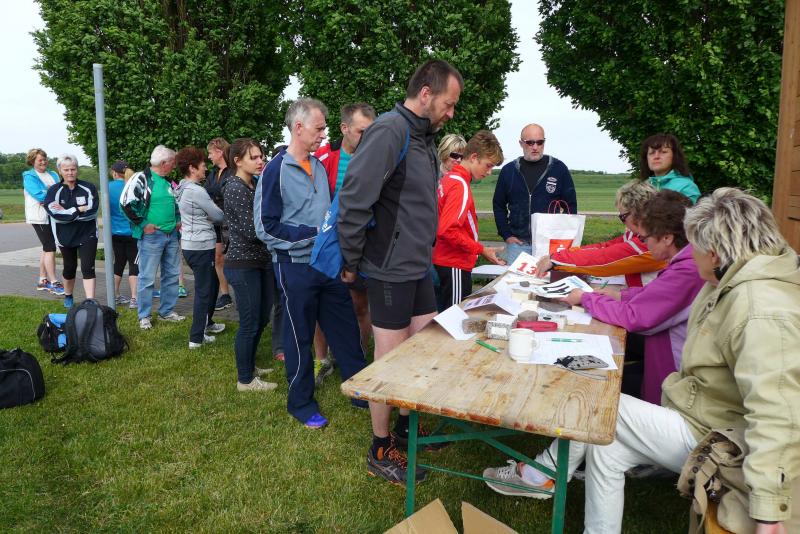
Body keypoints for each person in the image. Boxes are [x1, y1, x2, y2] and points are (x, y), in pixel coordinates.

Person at [483, 188, 800, 533]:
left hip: (717, 435)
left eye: (694, 247)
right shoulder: (736, 280)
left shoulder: (760, 309)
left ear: (714, 251)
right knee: (608, 448)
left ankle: (541, 475)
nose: (690, 256)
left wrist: (768, 510)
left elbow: (779, 411)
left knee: (597, 402)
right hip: (706, 415)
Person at [338, 59, 463, 483]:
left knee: (423, 350)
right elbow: (354, 199)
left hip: (417, 265)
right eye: (448, 104)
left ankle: (408, 426)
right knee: (390, 361)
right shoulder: (390, 130)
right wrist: (351, 262)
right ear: (426, 94)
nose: (451, 113)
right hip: (389, 267)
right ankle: (380, 446)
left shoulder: (424, 137)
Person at [256, 98, 367, 428]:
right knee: (298, 337)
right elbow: (265, 227)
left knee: (345, 330)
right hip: (294, 267)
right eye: (319, 128)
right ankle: (301, 404)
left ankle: (360, 390)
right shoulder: (275, 170)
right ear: (298, 127)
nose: (323, 134)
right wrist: (313, 236)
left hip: (327, 265)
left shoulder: (318, 165)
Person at [559, 190, 705, 405]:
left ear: (667, 238)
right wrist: (621, 295)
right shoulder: (687, 261)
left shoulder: (687, 270)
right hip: (667, 363)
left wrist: (586, 298)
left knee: (593, 393)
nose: (645, 245)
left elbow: (634, 317)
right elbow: (659, 295)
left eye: (645, 238)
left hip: (673, 380)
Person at [312, 102, 376, 385]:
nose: (366, 138)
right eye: (361, 131)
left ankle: (357, 358)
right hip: (330, 242)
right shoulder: (325, 158)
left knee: (361, 304)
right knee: (322, 305)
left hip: (362, 244)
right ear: (344, 128)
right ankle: (321, 359)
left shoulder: (376, 158)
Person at [535, 180, 665, 287]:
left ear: (638, 212)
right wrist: (561, 255)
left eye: (623, 217)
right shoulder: (642, 233)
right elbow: (604, 247)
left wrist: (557, 260)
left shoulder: (651, 241)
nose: (623, 222)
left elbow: (605, 259)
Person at [221, 139, 276, 391]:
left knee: (262, 318)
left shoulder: (252, 183)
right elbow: (253, 230)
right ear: (238, 161)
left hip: (259, 261)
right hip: (243, 264)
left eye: (261, 156)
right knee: (250, 322)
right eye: (253, 157)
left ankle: (250, 365)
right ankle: (245, 380)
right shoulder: (235, 187)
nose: (260, 160)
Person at [433, 130, 505, 310]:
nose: (489, 172)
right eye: (488, 165)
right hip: (454, 263)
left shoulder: (450, 178)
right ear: (473, 157)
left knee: (445, 315)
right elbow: (447, 230)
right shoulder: (459, 185)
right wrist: (481, 249)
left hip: (446, 261)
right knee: (454, 318)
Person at [120, 145, 185, 329]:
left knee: (171, 275)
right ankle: (144, 316)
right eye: (172, 162)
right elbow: (125, 204)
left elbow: (175, 203)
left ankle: (166, 312)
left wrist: (177, 220)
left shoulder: (168, 181)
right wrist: (143, 224)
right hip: (151, 236)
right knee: (147, 278)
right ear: (164, 163)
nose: (174, 166)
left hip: (171, 235)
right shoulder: (141, 178)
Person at [493, 123, 577, 263]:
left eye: (540, 142)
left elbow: (571, 206)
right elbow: (498, 205)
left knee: (549, 278)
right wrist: (506, 235)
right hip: (518, 245)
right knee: (516, 278)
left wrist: (561, 235)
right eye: (530, 142)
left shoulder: (558, 169)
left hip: (550, 246)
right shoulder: (509, 171)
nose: (535, 147)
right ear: (521, 143)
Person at [175, 146, 226, 349]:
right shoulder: (196, 190)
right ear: (192, 168)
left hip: (191, 244)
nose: (206, 168)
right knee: (204, 291)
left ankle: (207, 322)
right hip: (200, 246)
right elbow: (218, 215)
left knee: (211, 284)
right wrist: (211, 213)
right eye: (203, 165)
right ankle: (196, 338)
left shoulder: (182, 187)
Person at [43, 155, 99, 309]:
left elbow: (92, 212)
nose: (70, 172)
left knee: (88, 267)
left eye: (73, 169)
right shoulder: (54, 191)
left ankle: (90, 301)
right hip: (64, 236)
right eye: (66, 170)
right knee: (69, 268)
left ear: (77, 169)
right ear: (60, 171)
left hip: (87, 234)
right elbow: (56, 215)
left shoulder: (88, 188)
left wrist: (67, 212)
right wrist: (78, 209)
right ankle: (68, 295)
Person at [22, 148, 64, 295]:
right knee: (50, 247)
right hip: (39, 217)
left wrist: (49, 195)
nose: (43, 162)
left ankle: (42, 280)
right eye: (40, 160)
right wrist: (50, 195)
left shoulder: (53, 174)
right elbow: (39, 195)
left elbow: (62, 190)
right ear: (32, 161)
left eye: (45, 159)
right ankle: (54, 282)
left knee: (47, 248)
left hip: (53, 215)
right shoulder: (29, 176)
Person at [205, 137, 234, 311]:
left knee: (233, 259)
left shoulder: (233, 171)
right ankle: (225, 295)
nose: (209, 157)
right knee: (218, 258)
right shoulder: (213, 173)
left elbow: (221, 191)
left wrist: (214, 193)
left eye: (210, 153)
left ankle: (241, 293)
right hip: (216, 223)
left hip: (231, 223)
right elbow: (207, 192)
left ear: (219, 151)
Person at [108, 160, 138, 308]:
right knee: (134, 264)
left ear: (114, 173)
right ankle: (134, 298)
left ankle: (114, 296)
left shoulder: (107, 187)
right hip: (132, 231)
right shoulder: (132, 185)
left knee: (118, 263)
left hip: (114, 232)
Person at [639, 133, 700, 203]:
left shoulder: (687, 187)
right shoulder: (640, 189)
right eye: (651, 153)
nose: (656, 156)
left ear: (674, 156)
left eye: (663, 152)